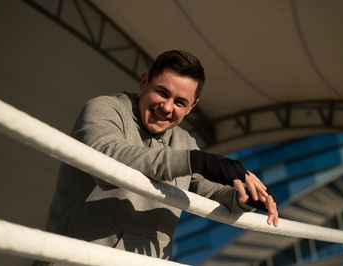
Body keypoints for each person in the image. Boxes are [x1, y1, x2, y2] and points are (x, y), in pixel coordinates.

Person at [34, 50, 278, 265]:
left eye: (180, 102)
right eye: (162, 93)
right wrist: (200, 161)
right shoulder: (105, 108)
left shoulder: (184, 142)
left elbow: (210, 192)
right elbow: (107, 157)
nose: (167, 107)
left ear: (192, 107)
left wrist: (247, 199)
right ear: (144, 81)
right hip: (76, 261)